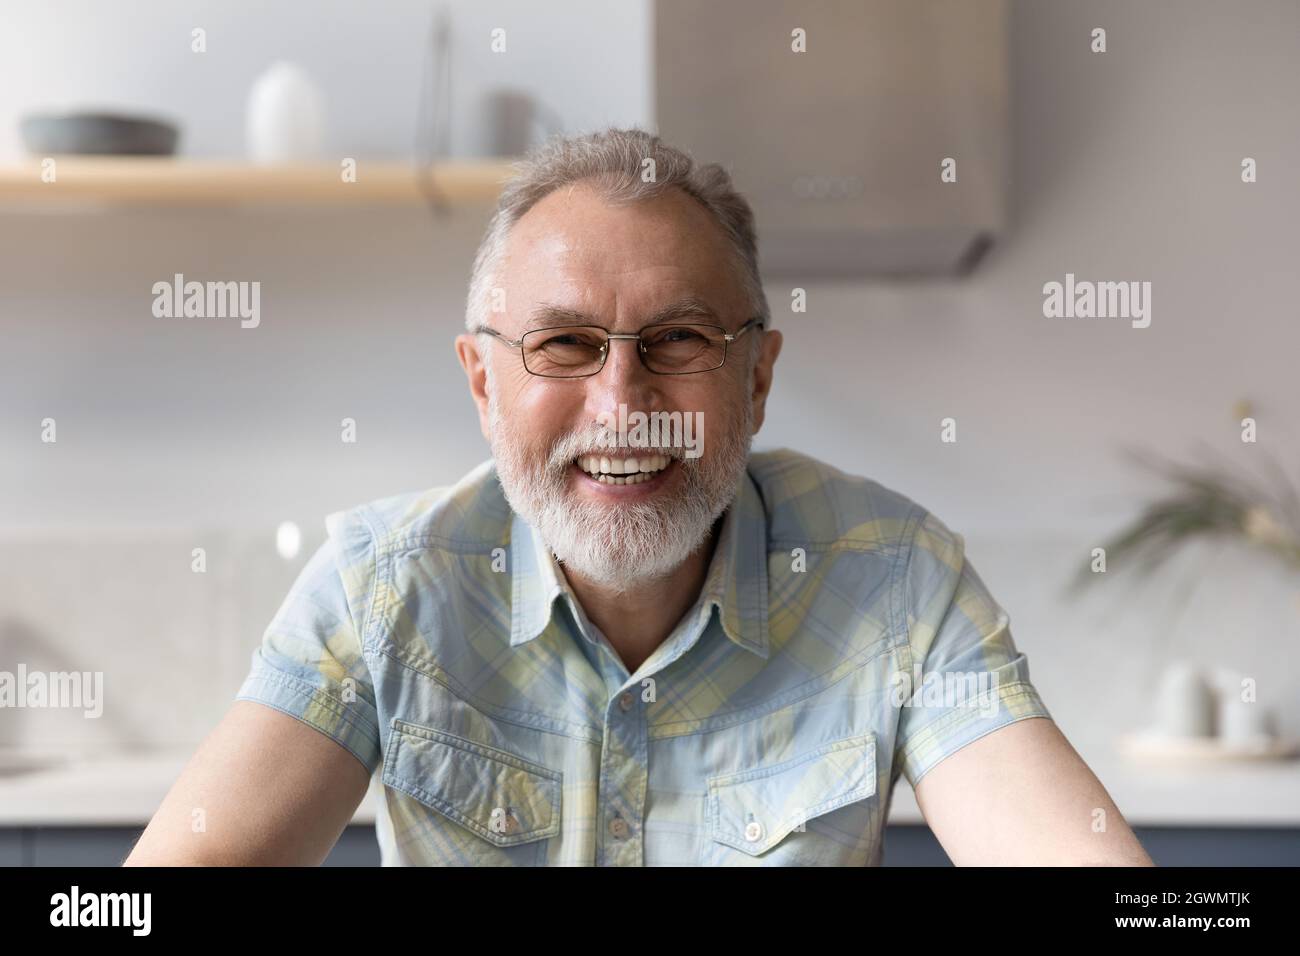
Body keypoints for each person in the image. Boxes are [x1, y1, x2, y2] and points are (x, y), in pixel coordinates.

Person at [126, 128, 1152, 866]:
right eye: (564, 343)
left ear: (755, 378)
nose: (622, 403)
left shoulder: (891, 573)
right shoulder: (378, 586)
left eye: (680, 339)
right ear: (484, 384)